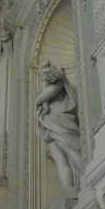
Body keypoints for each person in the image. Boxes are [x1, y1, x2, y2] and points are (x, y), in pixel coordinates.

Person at [35, 61, 83, 192]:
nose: (42, 80)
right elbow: (43, 99)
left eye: (44, 77)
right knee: (58, 156)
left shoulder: (58, 85)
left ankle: (88, 176)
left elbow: (42, 97)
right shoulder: (48, 89)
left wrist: (39, 103)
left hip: (60, 122)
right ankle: (68, 188)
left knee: (70, 150)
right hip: (49, 123)